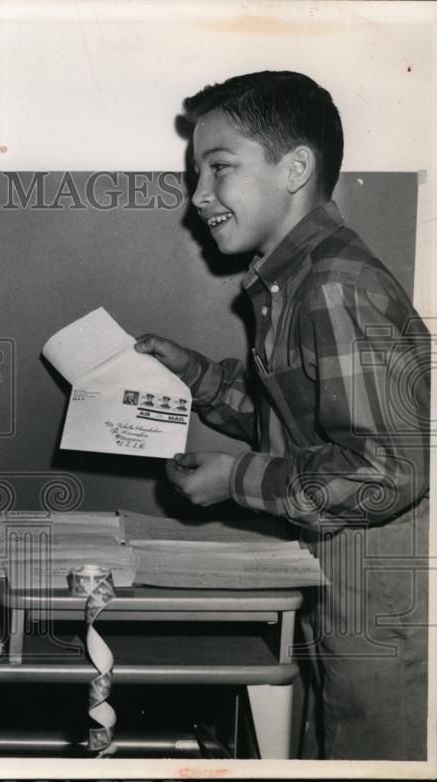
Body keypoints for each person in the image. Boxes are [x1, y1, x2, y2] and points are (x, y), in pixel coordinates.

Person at [135, 72, 429, 760]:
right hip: (343, 585)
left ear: (296, 167)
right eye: (196, 173)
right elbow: (301, 423)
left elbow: (386, 472)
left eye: (219, 169)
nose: (198, 196)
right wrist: (197, 376)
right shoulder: (298, 278)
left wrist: (235, 481)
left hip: (379, 606)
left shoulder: (333, 285)